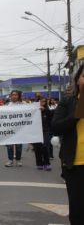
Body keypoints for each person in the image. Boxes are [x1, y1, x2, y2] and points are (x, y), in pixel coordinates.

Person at [52, 64, 84, 225]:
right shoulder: (68, 102)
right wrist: (78, 112)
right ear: (78, 79)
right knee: (78, 211)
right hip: (76, 163)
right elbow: (56, 127)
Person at [32, 97, 52, 171]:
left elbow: (51, 117)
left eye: (44, 102)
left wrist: (45, 110)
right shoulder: (33, 111)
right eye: (40, 102)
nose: (42, 103)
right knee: (37, 148)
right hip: (35, 132)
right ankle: (39, 163)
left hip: (45, 131)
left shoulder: (47, 111)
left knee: (45, 147)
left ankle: (47, 163)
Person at [5, 90, 23, 167]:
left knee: (19, 145)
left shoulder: (23, 105)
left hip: (20, 128)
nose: (14, 96)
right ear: (10, 96)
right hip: (10, 128)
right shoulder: (7, 105)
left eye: (16, 95)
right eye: (13, 95)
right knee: (10, 145)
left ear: (18, 96)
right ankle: (10, 160)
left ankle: (18, 160)